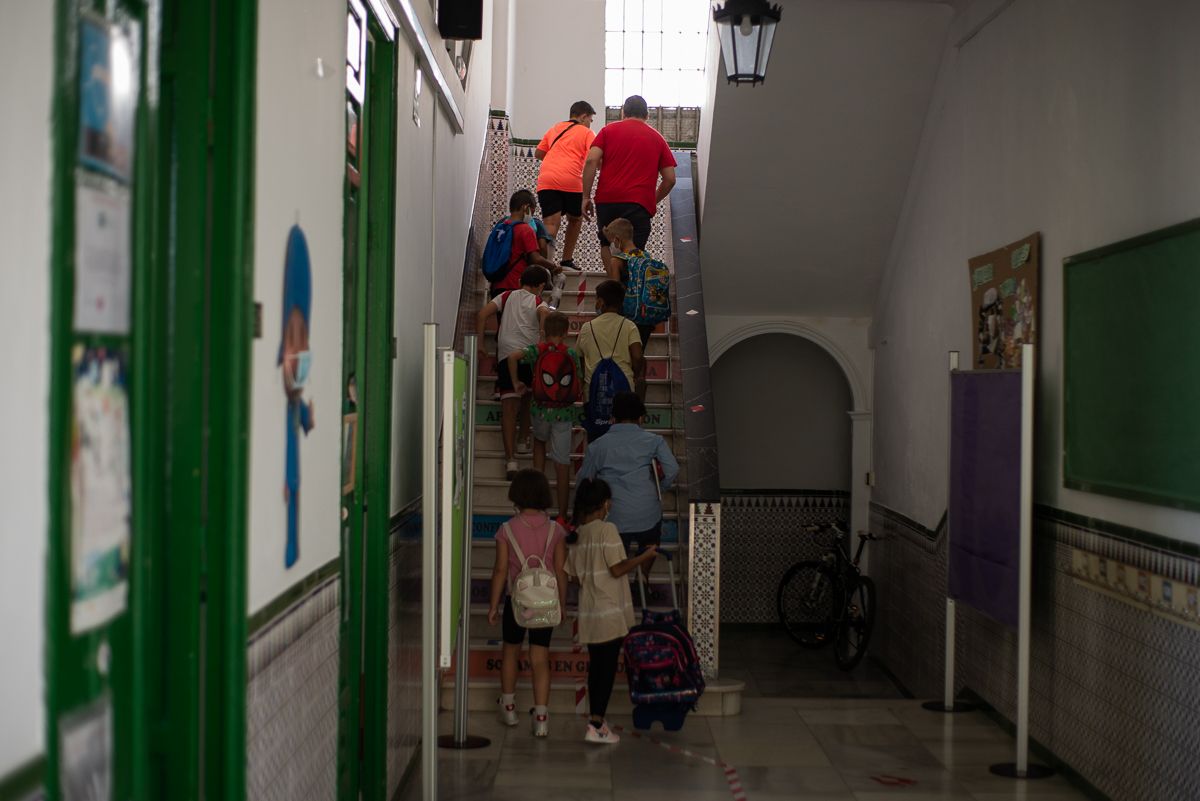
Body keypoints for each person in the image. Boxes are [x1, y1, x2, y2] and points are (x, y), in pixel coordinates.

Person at [567, 477, 658, 744]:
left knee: (597, 668)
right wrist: (644, 557)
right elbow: (617, 569)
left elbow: (573, 576)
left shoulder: (579, 534)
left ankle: (596, 721)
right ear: (604, 504)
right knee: (605, 670)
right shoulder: (607, 530)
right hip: (608, 611)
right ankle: (596, 725)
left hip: (590, 612)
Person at [488, 469, 568, 738]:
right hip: (546, 602)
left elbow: (500, 570)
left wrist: (493, 605)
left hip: (516, 602)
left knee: (511, 652)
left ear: (517, 495)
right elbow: (561, 571)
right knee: (540, 658)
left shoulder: (506, 530)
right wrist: (562, 604)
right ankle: (541, 717)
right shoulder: (556, 530)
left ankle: (509, 708)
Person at [576, 392, 678, 577]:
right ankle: (643, 579)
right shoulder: (654, 441)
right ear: (641, 418)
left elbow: (584, 481)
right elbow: (672, 469)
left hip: (613, 516)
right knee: (651, 538)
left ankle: (619, 580)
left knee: (615, 549)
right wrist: (659, 489)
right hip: (648, 512)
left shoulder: (597, 446)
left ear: (613, 418)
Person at [581, 95, 676, 281]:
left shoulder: (607, 131)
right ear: (647, 115)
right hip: (639, 204)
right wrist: (652, 200)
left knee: (606, 244)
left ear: (623, 112)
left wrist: (585, 196)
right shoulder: (658, 139)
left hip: (607, 201)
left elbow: (591, 160)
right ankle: (629, 290)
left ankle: (613, 287)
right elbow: (670, 179)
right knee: (634, 250)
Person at [508, 311, 581, 524]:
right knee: (562, 464)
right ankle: (562, 515)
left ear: (544, 331)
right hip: (564, 414)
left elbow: (512, 357)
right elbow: (578, 380)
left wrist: (516, 382)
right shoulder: (571, 353)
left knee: (539, 443)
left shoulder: (536, 350)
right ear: (566, 333)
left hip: (539, 410)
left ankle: (536, 506)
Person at [477, 267, 551, 478]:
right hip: (529, 353)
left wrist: (481, 343)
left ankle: (510, 461)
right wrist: (543, 333)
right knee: (528, 397)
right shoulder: (538, 301)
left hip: (506, 353)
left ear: (520, 281)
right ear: (541, 286)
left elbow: (482, 314)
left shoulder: (505, 296)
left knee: (509, 407)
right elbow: (544, 313)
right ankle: (523, 439)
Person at [576, 280, 644, 440]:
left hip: (593, 390)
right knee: (625, 439)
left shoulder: (587, 328)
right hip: (625, 391)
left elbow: (579, 358)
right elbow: (637, 356)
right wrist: (635, 374)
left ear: (600, 302)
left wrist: (582, 383)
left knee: (596, 438)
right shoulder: (629, 326)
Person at [535, 101, 597, 271]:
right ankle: (566, 260)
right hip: (571, 179)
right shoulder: (587, 132)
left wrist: (556, 160)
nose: (590, 123)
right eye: (590, 120)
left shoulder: (555, 128)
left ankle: (545, 266)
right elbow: (594, 157)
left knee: (550, 224)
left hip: (547, 180)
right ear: (583, 116)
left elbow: (539, 153)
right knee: (575, 219)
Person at [488, 189, 561, 306]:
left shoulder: (499, 228)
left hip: (496, 285)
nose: (532, 215)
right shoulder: (526, 229)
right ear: (525, 207)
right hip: (515, 285)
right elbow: (535, 258)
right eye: (532, 210)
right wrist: (553, 266)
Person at [602, 217, 658, 352]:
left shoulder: (616, 260)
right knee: (639, 353)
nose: (612, 246)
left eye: (611, 242)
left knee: (623, 355)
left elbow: (614, 292)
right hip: (646, 317)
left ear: (617, 239)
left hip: (626, 316)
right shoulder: (647, 257)